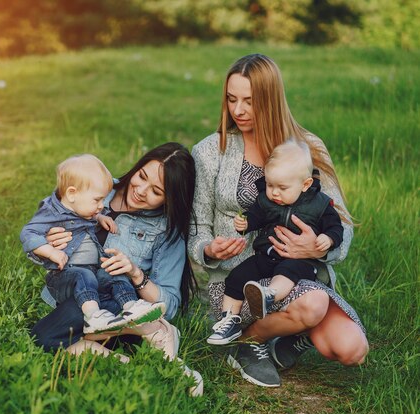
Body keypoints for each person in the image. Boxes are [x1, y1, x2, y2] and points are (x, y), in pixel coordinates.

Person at [188, 53, 368, 387]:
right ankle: (248, 341)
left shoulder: (308, 148)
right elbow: (197, 229)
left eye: (250, 101)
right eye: (231, 99)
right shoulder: (210, 151)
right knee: (313, 306)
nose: (238, 110)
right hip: (236, 286)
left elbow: (341, 225)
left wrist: (316, 247)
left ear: (271, 101)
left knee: (352, 349)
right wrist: (209, 248)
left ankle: (282, 337)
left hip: (295, 278)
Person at [30, 142, 203, 395]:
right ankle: (145, 364)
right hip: (72, 294)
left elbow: (172, 303)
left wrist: (135, 274)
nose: (141, 190)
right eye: (141, 176)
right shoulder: (96, 185)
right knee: (54, 338)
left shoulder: (167, 231)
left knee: (44, 337)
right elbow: (39, 230)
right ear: (138, 166)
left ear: (170, 198)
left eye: (156, 191)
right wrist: (48, 242)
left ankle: (148, 329)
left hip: (113, 300)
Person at [206, 139, 343, 345]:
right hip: (267, 255)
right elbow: (256, 217)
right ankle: (228, 321)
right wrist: (245, 224)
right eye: (270, 185)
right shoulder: (267, 200)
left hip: (299, 261)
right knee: (237, 276)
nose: (274, 192)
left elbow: (336, 227)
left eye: (282, 187)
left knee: (287, 271)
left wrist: (327, 238)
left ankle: (269, 295)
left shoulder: (320, 204)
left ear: (305, 184)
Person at [20, 154, 166, 334]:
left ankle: (132, 307)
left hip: (92, 270)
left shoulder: (82, 207)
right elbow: (28, 233)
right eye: (97, 201)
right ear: (72, 194)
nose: (101, 205)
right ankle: (93, 317)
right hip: (64, 276)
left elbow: (83, 214)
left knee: (112, 273)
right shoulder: (51, 212)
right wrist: (50, 251)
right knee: (84, 276)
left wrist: (100, 217)